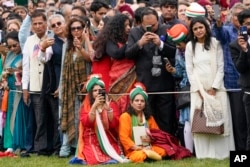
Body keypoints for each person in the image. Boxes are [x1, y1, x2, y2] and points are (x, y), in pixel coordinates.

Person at [185, 16, 235, 159]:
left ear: (206, 28)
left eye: (201, 27)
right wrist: (199, 90)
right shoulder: (190, 46)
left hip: (217, 89)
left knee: (220, 119)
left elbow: (220, 67)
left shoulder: (215, 43)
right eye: (195, 29)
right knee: (201, 121)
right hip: (198, 91)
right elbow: (190, 70)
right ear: (192, 32)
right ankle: (203, 155)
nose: (199, 31)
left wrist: (214, 87)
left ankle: (222, 154)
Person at [125, 7, 177, 135]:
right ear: (141, 23)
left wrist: (160, 43)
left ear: (158, 20)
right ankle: (150, 144)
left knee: (166, 117)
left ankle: (167, 145)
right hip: (145, 83)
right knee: (148, 116)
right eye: (147, 26)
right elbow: (128, 54)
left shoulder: (166, 29)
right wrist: (140, 43)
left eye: (154, 25)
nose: (151, 28)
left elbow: (174, 51)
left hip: (164, 82)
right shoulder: (135, 32)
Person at [70, 74, 128, 165]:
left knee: (114, 153)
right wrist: (94, 107)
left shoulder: (111, 104)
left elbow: (114, 125)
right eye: (95, 91)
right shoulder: (85, 106)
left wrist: (108, 109)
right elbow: (87, 123)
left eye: (100, 90)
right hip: (91, 138)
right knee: (94, 159)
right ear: (90, 93)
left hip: (108, 137)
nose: (97, 92)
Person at [213, 3, 248, 151]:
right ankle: (241, 154)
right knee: (239, 120)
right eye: (236, 16)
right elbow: (219, 33)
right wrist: (217, 19)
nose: (239, 19)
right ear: (232, 17)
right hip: (234, 83)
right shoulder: (228, 30)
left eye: (242, 16)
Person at [59, 17, 91, 158]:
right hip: (69, 85)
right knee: (67, 113)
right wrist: (60, 86)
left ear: (83, 29)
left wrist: (81, 47)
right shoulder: (67, 44)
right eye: (73, 28)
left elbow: (90, 59)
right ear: (70, 31)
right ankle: (65, 146)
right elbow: (63, 68)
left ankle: (79, 145)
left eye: (79, 28)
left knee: (81, 116)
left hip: (84, 86)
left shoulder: (88, 42)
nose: (76, 31)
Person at [93, 14, 136, 112]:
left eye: (129, 25)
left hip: (132, 76)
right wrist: (128, 44)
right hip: (118, 76)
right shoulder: (111, 40)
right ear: (118, 27)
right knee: (118, 104)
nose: (128, 28)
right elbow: (116, 54)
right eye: (125, 25)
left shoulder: (131, 39)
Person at [119, 82, 167, 163]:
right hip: (133, 150)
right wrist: (139, 148)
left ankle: (148, 155)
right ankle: (147, 156)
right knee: (140, 155)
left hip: (149, 147)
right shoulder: (125, 116)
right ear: (131, 103)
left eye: (142, 101)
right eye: (136, 100)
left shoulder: (149, 117)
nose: (139, 103)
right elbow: (124, 138)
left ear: (145, 104)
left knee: (164, 151)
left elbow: (157, 134)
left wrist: (151, 139)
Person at [166, 24, 193, 153]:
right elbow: (180, 73)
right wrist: (173, 70)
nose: (177, 47)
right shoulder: (179, 52)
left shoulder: (194, 49)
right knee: (186, 120)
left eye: (179, 44)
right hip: (185, 89)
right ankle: (189, 151)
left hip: (198, 87)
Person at [2, 31, 27, 153]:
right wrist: (4, 78)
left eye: (15, 45)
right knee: (9, 116)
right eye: (10, 46)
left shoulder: (25, 54)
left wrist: (15, 71)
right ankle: (9, 143)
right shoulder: (10, 55)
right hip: (10, 91)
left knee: (18, 116)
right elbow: (4, 72)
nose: (12, 48)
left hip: (20, 91)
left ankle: (19, 143)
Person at [229, 9, 250, 151]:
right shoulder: (235, 45)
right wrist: (245, 51)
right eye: (247, 24)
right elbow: (240, 68)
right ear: (241, 26)